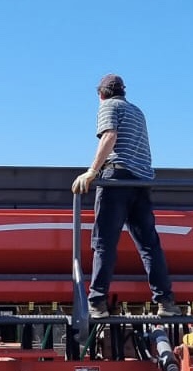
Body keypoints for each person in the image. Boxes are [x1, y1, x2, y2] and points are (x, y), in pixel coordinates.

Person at [72, 74, 181, 319]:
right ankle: (166, 301)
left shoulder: (109, 106)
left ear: (100, 94)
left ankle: (97, 302)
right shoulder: (137, 111)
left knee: (104, 242)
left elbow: (110, 136)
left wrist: (92, 171)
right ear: (123, 91)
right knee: (149, 245)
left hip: (117, 178)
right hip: (141, 182)